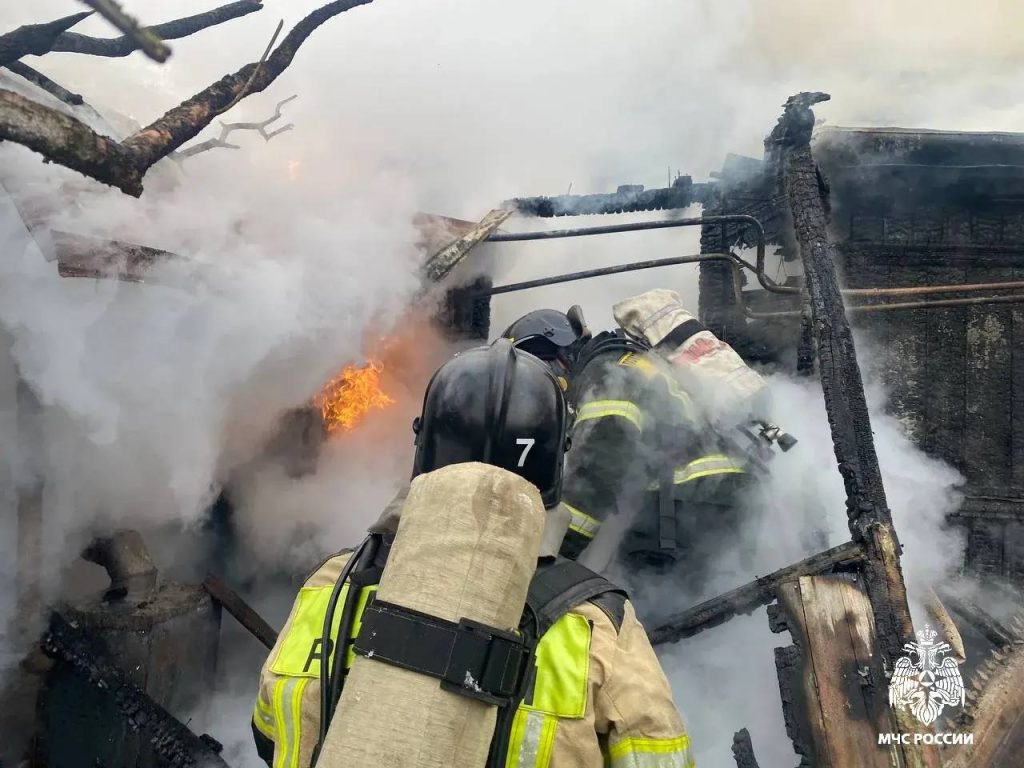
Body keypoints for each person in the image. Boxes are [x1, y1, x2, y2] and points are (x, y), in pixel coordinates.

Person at [251, 339, 693, 768]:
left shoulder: (331, 586)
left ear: (423, 446)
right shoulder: (597, 624)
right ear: (557, 461)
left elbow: (268, 735)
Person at [501, 301, 753, 580]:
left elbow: (597, 472)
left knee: (636, 604)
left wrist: (546, 558)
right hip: (707, 500)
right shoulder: (620, 363)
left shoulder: (604, 376)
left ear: (551, 358)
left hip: (696, 502)